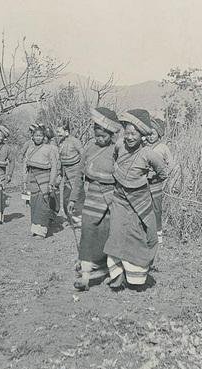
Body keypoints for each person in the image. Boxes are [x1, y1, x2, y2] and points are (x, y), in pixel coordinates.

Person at [103, 109, 168, 290]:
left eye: (134, 134)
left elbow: (163, 173)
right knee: (116, 233)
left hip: (139, 200)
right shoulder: (119, 146)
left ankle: (136, 278)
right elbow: (115, 160)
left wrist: (146, 180)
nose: (130, 137)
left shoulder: (150, 154)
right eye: (128, 133)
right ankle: (116, 275)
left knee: (136, 235)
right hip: (119, 198)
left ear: (142, 135)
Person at [71, 107, 121, 291]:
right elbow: (79, 174)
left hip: (110, 200)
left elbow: (122, 175)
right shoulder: (89, 148)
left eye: (104, 136)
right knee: (87, 234)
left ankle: (103, 270)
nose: (100, 139)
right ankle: (85, 277)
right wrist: (73, 198)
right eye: (97, 135)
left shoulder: (117, 150)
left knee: (104, 236)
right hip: (91, 199)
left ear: (111, 135)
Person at [24, 125, 60, 238]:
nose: (38, 138)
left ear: (44, 137)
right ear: (32, 137)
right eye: (36, 136)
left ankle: (42, 231)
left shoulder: (49, 149)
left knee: (43, 204)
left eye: (40, 136)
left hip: (45, 179)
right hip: (32, 179)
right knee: (34, 204)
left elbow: (54, 166)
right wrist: (24, 181)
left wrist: (52, 182)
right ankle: (35, 229)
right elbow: (25, 166)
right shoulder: (29, 149)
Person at [147, 117, 174, 245]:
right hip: (142, 182)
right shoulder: (143, 146)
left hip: (156, 182)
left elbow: (171, 165)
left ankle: (158, 234)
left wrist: (162, 175)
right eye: (148, 134)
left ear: (158, 134)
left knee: (156, 209)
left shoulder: (163, 148)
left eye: (153, 134)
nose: (150, 137)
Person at [57, 121, 84, 228]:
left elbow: (83, 154)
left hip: (76, 173)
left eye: (60, 132)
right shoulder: (61, 142)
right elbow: (60, 159)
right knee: (66, 198)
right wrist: (59, 173)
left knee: (77, 198)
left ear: (66, 132)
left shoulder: (75, 141)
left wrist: (82, 171)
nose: (58, 133)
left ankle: (79, 221)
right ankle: (70, 219)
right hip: (66, 175)